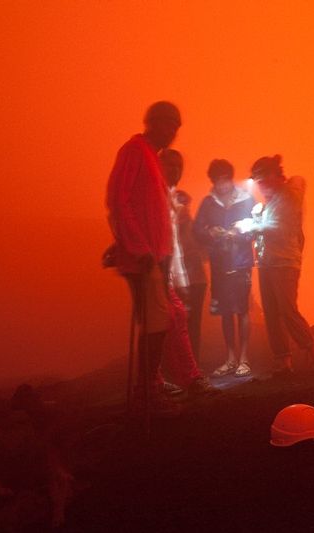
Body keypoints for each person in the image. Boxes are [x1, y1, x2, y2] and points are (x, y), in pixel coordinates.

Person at [105, 101, 182, 418]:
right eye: (170, 125)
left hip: (155, 255)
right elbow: (117, 201)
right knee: (155, 320)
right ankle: (146, 394)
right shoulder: (135, 150)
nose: (174, 133)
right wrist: (137, 247)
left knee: (156, 321)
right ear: (154, 123)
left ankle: (149, 389)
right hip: (145, 257)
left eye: (176, 127)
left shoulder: (152, 156)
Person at [239, 155, 314, 376]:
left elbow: (280, 228)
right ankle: (283, 361)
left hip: (285, 263)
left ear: (273, 176)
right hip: (267, 263)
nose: (259, 185)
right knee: (271, 312)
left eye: (262, 179)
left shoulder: (290, 194)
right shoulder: (270, 203)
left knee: (288, 310)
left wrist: (253, 227)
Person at [193, 159, 255, 377]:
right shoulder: (208, 203)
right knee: (226, 311)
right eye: (218, 181)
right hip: (219, 263)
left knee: (243, 309)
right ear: (213, 182)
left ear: (230, 178)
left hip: (241, 260)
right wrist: (211, 233)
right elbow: (197, 229)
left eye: (225, 180)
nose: (223, 185)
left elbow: (255, 225)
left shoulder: (246, 199)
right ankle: (230, 358)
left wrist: (241, 232)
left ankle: (244, 358)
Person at [159, 149, 208, 361]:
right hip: (171, 277)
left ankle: (191, 371)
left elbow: (196, 245)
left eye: (178, 166)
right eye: (170, 165)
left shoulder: (184, 209)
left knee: (191, 325)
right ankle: (175, 372)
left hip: (193, 277)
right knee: (170, 325)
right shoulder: (158, 199)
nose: (175, 170)